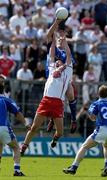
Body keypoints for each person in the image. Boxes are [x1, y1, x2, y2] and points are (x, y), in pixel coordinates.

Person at [20, 26, 73, 155]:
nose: (58, 62)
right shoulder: (50, 68)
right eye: (57, 62)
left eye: (61, 62)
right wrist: (54, 39)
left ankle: (54, 140)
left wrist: (64, 40)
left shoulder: (67, 71)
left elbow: (69, 55)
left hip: (58, 103)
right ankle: (24, 147)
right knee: (34, 127)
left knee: (60, 132)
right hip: (46, 101)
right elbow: (52, 52)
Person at [63, 85, 107, 177]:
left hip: (102, 129)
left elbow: (92, 117)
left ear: (98, 93)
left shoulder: (96, 103)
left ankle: (74, 167)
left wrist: (93, 117)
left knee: (84, 146)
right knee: (106, 145)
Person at [46, 19, 77, 134]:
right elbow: (49, 35)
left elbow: (70, 67)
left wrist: (65, 44)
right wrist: (56, 22)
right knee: (58, 97)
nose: (61, 37)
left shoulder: (67, 53)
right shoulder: (52, 48)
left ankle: (73, 120)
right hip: (51, 77)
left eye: (63, 34)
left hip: (63, 78)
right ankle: (52, 119)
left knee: (69, 91)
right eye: (59, 35)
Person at [0, 74, 30, 176]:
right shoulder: (6, 100)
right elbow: (17, 113)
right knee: (16, 147)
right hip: (3, 128)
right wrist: (26, 123)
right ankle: (17, 171)